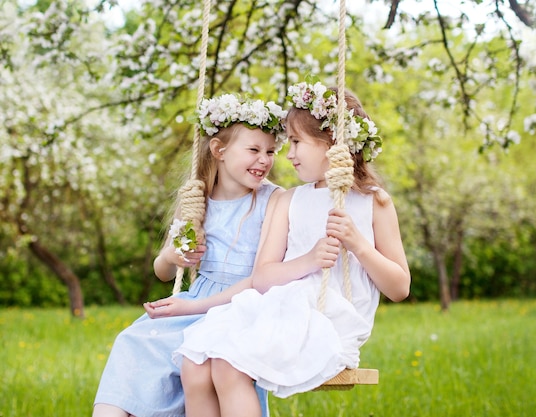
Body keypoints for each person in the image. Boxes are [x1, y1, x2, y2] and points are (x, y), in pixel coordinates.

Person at [163, 80, 411, 417]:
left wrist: (357, 244)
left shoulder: (373, 202)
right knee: (196, 363)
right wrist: (309, 260)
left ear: (332, 142)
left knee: (227, 364)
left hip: (328, 322)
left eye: (296, 142)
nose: (288, 153)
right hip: (280, 308)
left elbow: (400, 288)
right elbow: (263, 277)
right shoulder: (289, 200)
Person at [92, 94, 287, 417]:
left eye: (270, 151)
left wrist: (191, 305)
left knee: (200, 360)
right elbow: (162, 272)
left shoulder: (272, 200)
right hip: (196, 301)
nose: (264, 160)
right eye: (253, 150)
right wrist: (172, 256)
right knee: (133, 341)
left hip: (240, 305)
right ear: (219, 150)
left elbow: (264, 277)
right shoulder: (198, 200)